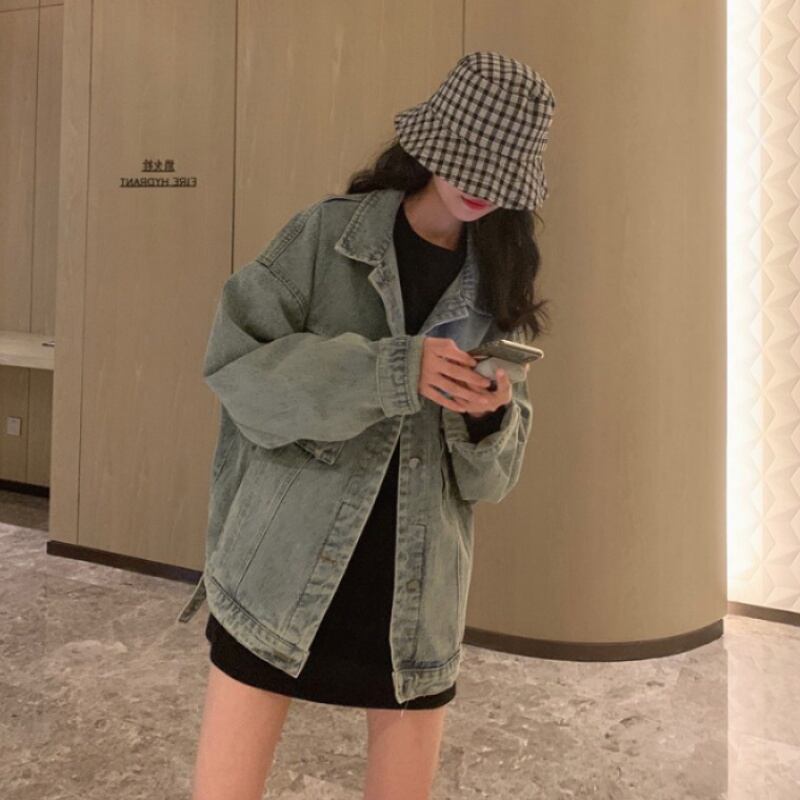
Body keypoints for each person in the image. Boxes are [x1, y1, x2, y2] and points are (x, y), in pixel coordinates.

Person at [186, 51, 556, 800]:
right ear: (431, 142)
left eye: (499, 176)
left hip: (415, 597)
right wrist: (392, 371)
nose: (480, 186)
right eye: (468, 162)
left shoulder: (501, 278)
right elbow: (239, 374)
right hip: (281, 568)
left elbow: (491, 482)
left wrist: (489, 418)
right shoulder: (326, 238)